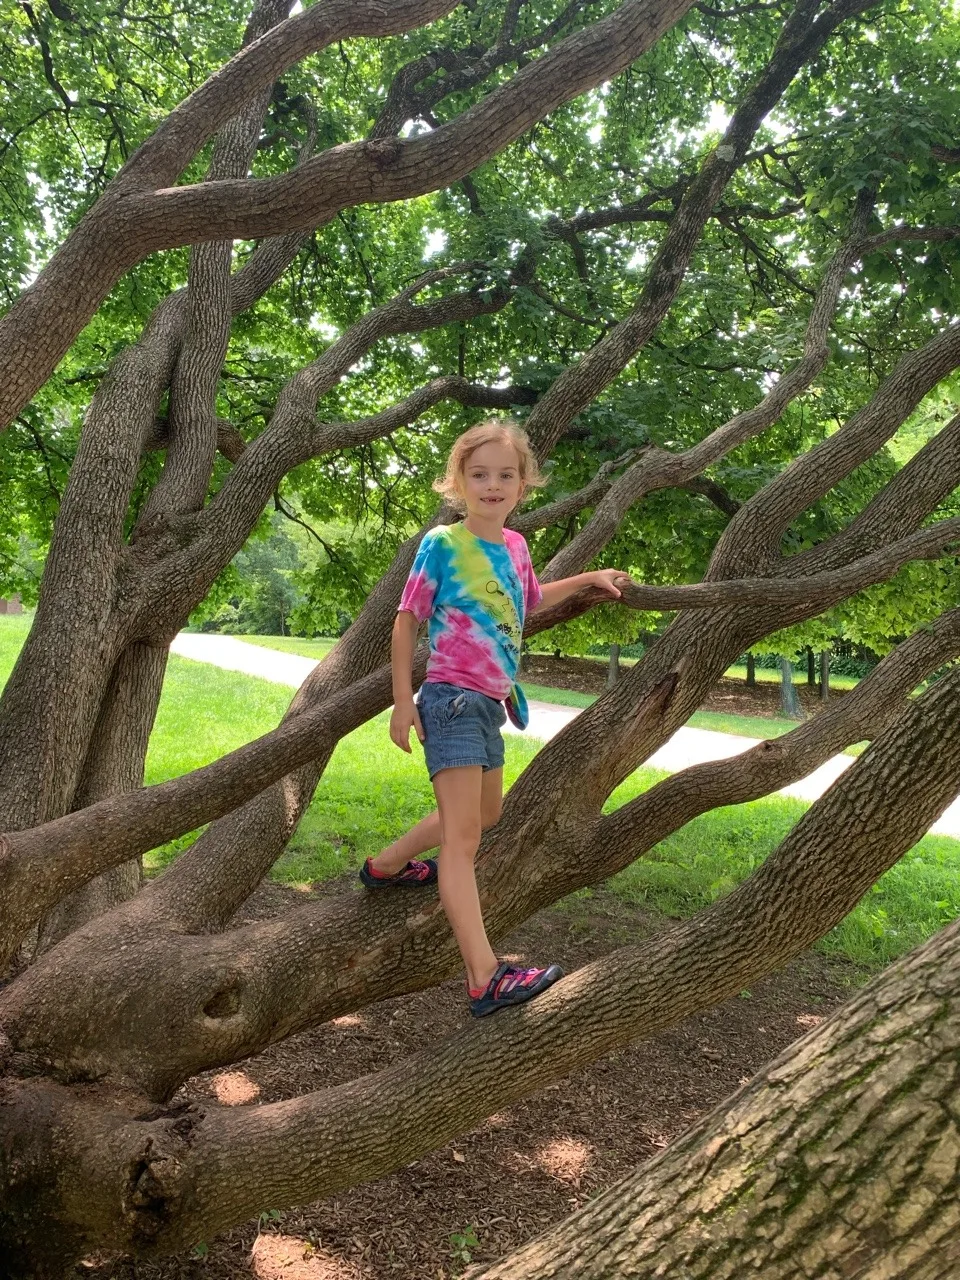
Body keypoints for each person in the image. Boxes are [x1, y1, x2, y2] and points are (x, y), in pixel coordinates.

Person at [359, 419, 631, 1017]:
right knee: (464, 843)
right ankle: (485, 978)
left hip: (488, 703)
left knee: (485, 814)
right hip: (450, 698)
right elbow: (405, 620)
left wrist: (590, 577)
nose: (492, 484)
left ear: (522, 485)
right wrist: (403, 702)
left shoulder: (514, 547)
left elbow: (529, 598)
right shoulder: (444, 545)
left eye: (505, 475)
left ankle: (385, 866)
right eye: (479, 474)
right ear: (458, 481)